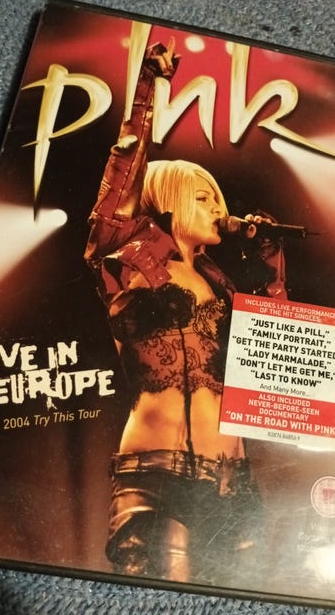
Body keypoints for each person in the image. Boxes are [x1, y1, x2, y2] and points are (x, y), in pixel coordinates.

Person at [84, 39, 286, 586]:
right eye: (204, 198)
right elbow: (120, 179)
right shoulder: (128, 257)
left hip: (232, 477)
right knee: (168, 586)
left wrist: (272, 260)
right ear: (167, 200)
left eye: (220, 200)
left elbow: (277, 353)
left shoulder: (222, 284)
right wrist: (147, 89)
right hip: (158, 471)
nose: (220, 210)